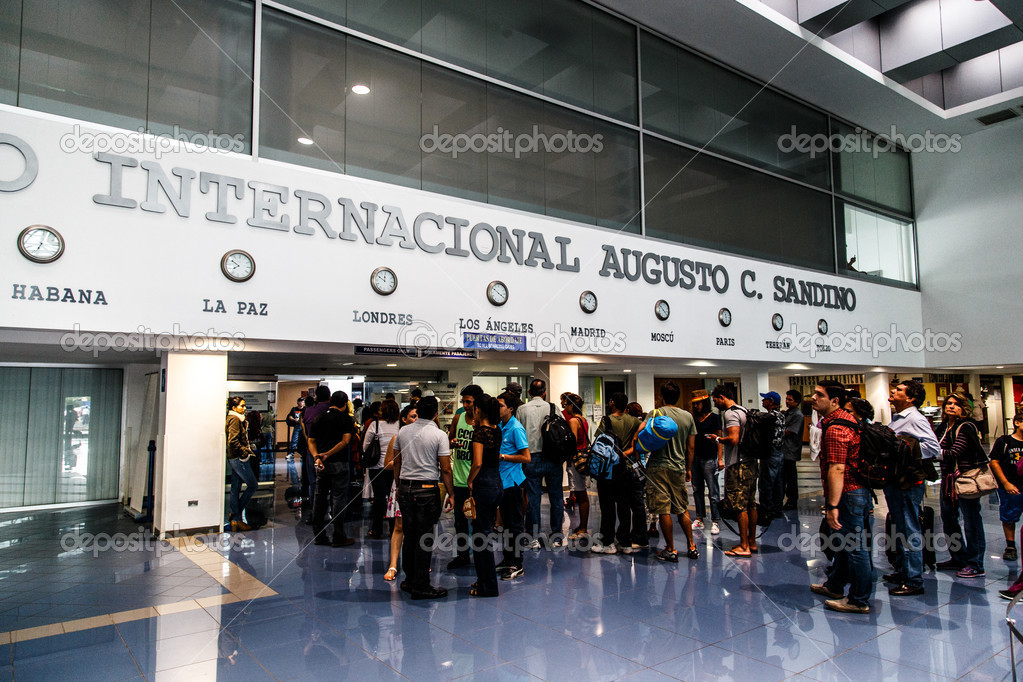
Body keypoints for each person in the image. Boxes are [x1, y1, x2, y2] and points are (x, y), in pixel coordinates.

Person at [810, 381, 873, 614]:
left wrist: (832, 505)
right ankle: (835, 586)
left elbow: (837, 469)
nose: (813, 398)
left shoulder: (836, 428)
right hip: (857, 491)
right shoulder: (848, 421)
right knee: (845, 546)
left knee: (855, 548)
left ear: (834, 401)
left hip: (847, 493)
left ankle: (858, 599)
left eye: (819, 394)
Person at [883, 380, 941, 596]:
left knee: (909, 528)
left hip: (908, 482)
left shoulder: (915, 418)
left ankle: (914, 579)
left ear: (911, 398)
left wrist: (906, 453)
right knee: (900, 527)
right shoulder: (898, 417)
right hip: (897, 481)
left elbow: (933, 447)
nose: (893, 391)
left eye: (899, 390)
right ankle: (903, 570)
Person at [393, 396, 453, 599]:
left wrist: (398, 485)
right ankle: (421, 585)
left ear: (417, 411)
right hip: (427, 490)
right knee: (425, 537)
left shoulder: (403, 431)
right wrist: (451, 493)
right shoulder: (438, 435)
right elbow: (445, 468)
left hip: (405, 488)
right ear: (436, 414)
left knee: (410, 535)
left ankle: (409, 580)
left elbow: (397, 462)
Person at [641, 381, 698, 562]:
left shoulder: (656, 413)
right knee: (682, 508)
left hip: (657, 467)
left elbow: (641, 432)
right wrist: (688, 468)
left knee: (664, 509)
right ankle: (691, 546)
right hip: (678, 467)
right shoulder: (688, 416)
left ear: (662, 396)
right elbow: (691, 448)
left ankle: (671, 549)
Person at [935, 391, 989, 578]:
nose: (951, 406)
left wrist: (933, 452)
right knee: (949, 519)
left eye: (956, 404)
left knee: (971, 521)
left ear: (963, 408)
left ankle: (975, 563)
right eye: (948, 403)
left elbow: (954, 452)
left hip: (965, 479)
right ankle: (958, 557)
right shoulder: (942, 427)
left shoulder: (966, 426)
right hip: (948, 479)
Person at [593, 392, 645, 553]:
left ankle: (607, 542)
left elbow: (599, 442)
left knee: (607, 507)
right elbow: (638, 442)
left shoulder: (607, 420)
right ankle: (625, 542)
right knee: (624, 507)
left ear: (612, 403)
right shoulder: (635, 421)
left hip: (608, 470)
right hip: (627, 469)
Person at [516, 379, 565, 548]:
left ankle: (532, 538)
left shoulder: (521, 410)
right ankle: (557, 537)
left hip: (531, 457)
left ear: (529, 393)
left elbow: (517, 433)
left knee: (533, 498)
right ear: (544, 392)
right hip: (553, 458)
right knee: (557, 497)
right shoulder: (554, 408)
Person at [713, 386, 758, 557]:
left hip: (738, 465)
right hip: (750, 463)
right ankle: (752, 542)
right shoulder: (744, 410)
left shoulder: (730, 413)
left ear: (722, 397)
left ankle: (744, 546)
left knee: (739, 506)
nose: (715, 403)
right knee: (750, 503)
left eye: (715, 400)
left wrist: (717, 439)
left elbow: (733, 439)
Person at [308, 391, 357, 548]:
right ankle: (338, 536)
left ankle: (319, 536)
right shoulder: (345, 419)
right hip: (339, 463)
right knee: (339, 499)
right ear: (345, 403)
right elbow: (345, 441)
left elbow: (311, 440)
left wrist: (317, 456)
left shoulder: (319, 417)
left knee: (319, 498)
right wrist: (328, 454)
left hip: (321, 465)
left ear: (331, 401)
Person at [466, 394, 503, 597]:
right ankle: (484, 580)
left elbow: (477, 463)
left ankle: (487, 586)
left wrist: (469, 480)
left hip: (484, 485)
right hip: (497, 483)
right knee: (485, 533)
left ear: (479, 409)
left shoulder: (480, 433)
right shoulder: (496, 430)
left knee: (481, 537)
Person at [446, 384, 483, 569]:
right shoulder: (458, 418)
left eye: (468, 401)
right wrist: (452, 442)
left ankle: (480, 556)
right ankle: (462, 555)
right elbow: (449, 441)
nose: (465, 405)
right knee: (460, 521)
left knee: (479, 522)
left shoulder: (484, 422)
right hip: (460, 479)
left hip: (477, 480)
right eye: (463, 401)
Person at [495, 390, 530, 580]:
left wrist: (503, 456)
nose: (497, 409)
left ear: (510, 408)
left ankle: (517, 563)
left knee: (515, 524)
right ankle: (508, 559)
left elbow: (526, 456)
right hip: (502, 482)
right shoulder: (500, 425)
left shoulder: (516, 428)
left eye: (500, 406)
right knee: (505, 525)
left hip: (513, 482)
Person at [382, 404, 417, 582]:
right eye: (412, 416)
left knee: (419, 527)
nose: (415, 419)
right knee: (399, 526)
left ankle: (418, 561)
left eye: (417, 416)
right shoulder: (397, 437)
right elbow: (387, 463)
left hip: (417, 484)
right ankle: (393, 564)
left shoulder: (422, 437)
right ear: (403, 419)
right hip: (401, 484)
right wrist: (400, 465)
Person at [363, 399, 400, 539]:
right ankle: (393, 529)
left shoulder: (375, 425)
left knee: (379, 498)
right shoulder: (400, 426)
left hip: (376, 466)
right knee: (393, 498)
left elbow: (366, 446)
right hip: (394, 466)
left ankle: (376, 529)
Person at [991, 413, 1023, 565]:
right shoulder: (1005, 441)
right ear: (1017, 422)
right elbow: (994, 462)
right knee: (1009, 516)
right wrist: (1005, 483)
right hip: (1010, 487)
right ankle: (1010, 546)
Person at [690, 390, 722, 536]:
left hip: (710, 457)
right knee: (697, 490)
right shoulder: (692, 418)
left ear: (705, 403)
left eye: (698, 403)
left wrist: (720, 458)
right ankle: (699, 518)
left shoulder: (715, 418)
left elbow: (719, 439)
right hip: (695, 457)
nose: (696, 406)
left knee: (713, 491)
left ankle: (715, 520)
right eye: (694, 403)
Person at [225, 396, 257, 532]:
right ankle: (236, 515)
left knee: (235, 487)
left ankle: (235, 520)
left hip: (235, 457)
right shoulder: (234, 419)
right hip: (239, 458)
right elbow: (232, 441)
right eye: (242, 406)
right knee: (253, 485)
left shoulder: (236, 419)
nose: (244, 408)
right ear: (234, 408)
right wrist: (245, 451)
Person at [563, 392, 591, 540]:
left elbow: (572, 442)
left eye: (566, 404)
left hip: (576, 460)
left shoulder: (573, 421)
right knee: (582, 494)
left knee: (581, 494)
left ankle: (583, 527)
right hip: (584, 458)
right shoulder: (583, 419)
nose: (564, 407)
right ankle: (582, 526)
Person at [758, 391, 785, 519]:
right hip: (779, 452)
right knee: (778, 482)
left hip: (770, 453)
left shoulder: (769, 417)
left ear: (771, 402)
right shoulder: (781, 415)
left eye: (765, 399)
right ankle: (777, 508)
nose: (763, 401)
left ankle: (766, 510)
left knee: (766, 482)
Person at [780, 390, 804, 510]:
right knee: (784, 476)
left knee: (790, 477)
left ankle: (792, 500)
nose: (787, 401)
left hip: (790, 450)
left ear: (797, 401)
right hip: (784, 450)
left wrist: (776, 433)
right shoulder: (788, 413)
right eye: (787, 399)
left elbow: (789, 431)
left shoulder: (797, 415)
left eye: (790, 400)